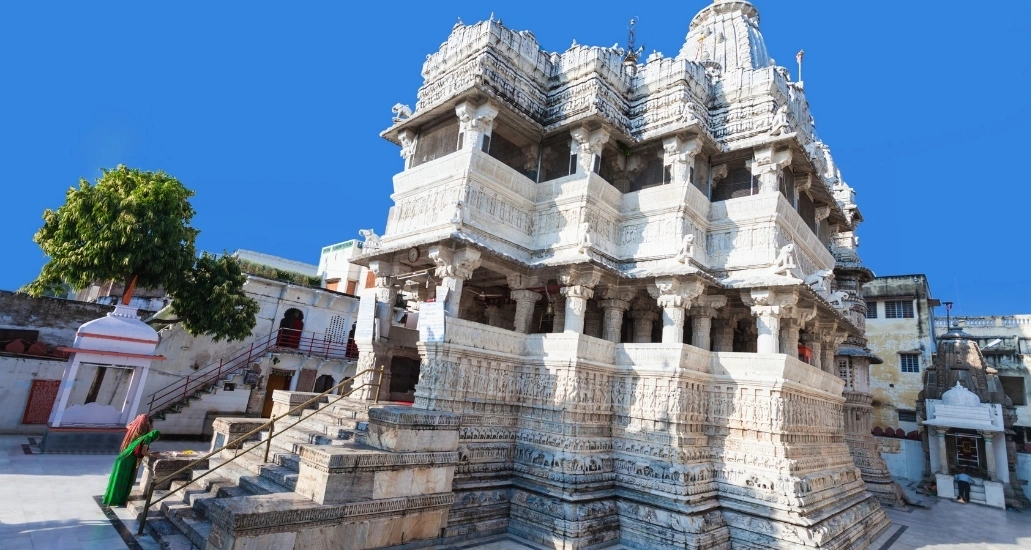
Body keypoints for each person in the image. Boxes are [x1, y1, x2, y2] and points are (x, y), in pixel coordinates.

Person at [102, 429, 161, 506]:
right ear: (155, 436)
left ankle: (111, 497)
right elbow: (143, 452)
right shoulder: (148, 439)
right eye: (157, 438)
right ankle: (117, 499)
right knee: (123, 480)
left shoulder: (143, 437)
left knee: (117, 479)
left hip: (123, 458)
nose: (157, 439)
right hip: (127, 460)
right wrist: (153, 455)